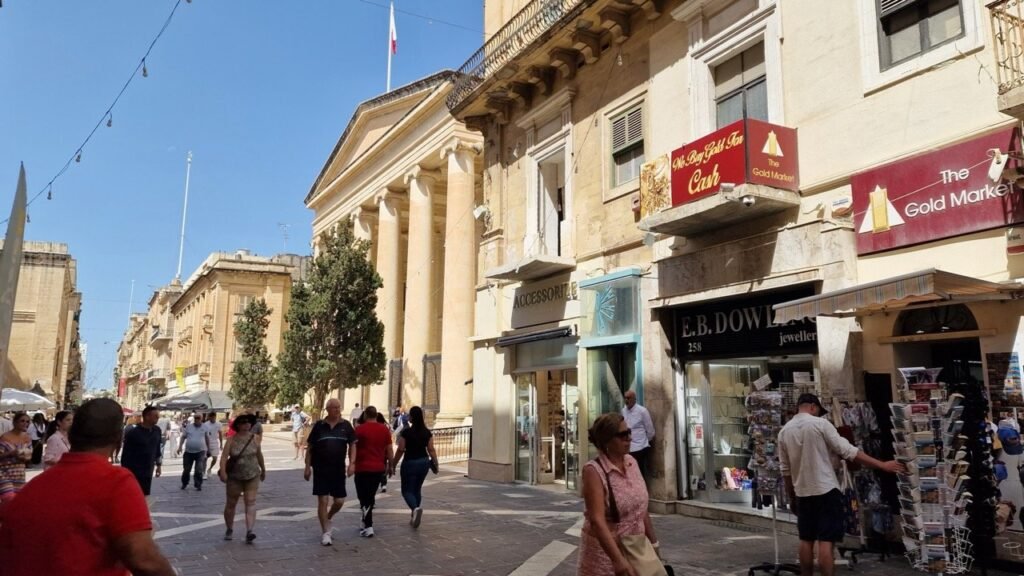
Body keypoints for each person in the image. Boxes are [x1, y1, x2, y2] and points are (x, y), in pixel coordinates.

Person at [0, 398, 176, 575]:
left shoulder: (32, 488)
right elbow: (145, 560)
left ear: (73, 434)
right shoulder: (115, 481)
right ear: (118, 440)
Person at [778, 393, 905, 576]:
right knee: (826, 541)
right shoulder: (820, 424)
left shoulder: (784, 431)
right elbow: (849, 452)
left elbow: (785, 470)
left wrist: (791, 496)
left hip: (802, 492)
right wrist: (882, 464)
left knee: (806, 540)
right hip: (826, 490)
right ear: (813, 407)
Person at [578, 412, 660, 576]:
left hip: (636, 549)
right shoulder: (594, 471)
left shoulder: (632, 462)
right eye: (622, 435)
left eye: (629, 432)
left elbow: (641, 508)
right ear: (607, 440)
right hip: (606, 554)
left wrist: (653, 543)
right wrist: (618, 560)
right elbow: (597, 520)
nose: (629, 438)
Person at [304, 398, 356, 546]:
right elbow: (310, 448)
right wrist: (307, 467)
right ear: (328, 409)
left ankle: (329, 516)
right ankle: (325, 532)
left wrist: (352, 464)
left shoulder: (346, 425)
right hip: (321, 469)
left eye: (339, 407)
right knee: (323, 500)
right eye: (334, 408)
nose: (338, 410)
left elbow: (353, 444)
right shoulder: (319, 426)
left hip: (338, 469)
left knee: (339, 501)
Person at [218, 414, 266, 544]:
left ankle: (250, 530)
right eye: (243, 423)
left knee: (250, 502)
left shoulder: (255, 438)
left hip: (252, 474)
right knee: (231, 503)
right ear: (238, 425)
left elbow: (259, 454)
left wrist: (263, 469)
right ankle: (229, 528)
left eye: (248, 422)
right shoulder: (231, 440)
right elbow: (223, 457)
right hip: (234, 476)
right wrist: (223, 472)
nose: (246, 425)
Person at [392, 406, 437, 529]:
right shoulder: (427, 432)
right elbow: (431, 449)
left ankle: (415, 508)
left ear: (412, 417)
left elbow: (401, 449)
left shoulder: (406, 432)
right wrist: (435, 463)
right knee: (417, 489)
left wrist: (393, 464)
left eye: (410, 415)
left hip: (410, 462)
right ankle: (414, 514)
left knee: (406, 491)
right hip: (423, 462)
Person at [352, 406, 393, 538]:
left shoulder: (359, 430)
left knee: (363, 496)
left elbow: (353, 448)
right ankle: (365, 522)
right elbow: (389, 449)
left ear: (365, 416)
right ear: (376, 415)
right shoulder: (384, 430)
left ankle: (368, 525)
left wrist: (351, 463)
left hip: (361, 467)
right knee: (369, 496)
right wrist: (391, 465)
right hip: (377, 468)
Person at [121, 406, 164, 500]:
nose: (158, 418)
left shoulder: (157, 430)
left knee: (145, 493)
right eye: (156, 416)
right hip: (134, 469)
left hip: (148, 468)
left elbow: (157, 448)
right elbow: (125, 455)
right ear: (147, 416)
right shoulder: (133, 433)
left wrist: (159, 465)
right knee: (133, 494)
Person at [621, 390, 655, 482]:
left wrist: (645, 441)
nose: (626, 400)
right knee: (629, 471)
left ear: (634, 399)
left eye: (628, 398)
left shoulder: (642, 411)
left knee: (639, 471)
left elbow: (650, 430)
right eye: (625, 398)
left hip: (640, 447)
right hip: (628, 447)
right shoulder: (624, 411)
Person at [0, 412, 33, 504]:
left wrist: (25, 457)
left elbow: (29, 456)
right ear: (14, 422)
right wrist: (11, 453)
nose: (25, 423)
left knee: (17, 501)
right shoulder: (5, 437)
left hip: (19, 473)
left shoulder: (27, 438)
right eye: (22, 421)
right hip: (4, 473)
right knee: (8, 498)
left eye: (27, 422)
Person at [177, 412, 210, 491]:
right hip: (188, 452)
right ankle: (184, 483)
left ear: (202, 419)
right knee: (186, 470)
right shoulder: (189, 427)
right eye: (196, 418)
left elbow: (207, 438)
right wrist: (180, 447)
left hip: (200, 452)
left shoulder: (205, 427)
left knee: (199, 469)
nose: (197, 419)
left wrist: (208, 449)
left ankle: (198, 484)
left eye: (199, 418)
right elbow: (183, 437)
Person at [204, 411, 224, 479]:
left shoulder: (219, 424)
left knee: (215, 458)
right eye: (211, 417)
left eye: (214, 417)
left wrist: (221, 444)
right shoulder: (206, 424)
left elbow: (220, 434)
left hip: (215, 442)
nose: (213, 418)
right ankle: (203, 472)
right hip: (207, 442)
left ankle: (209, 469)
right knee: (205, 458)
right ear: (209, 417)